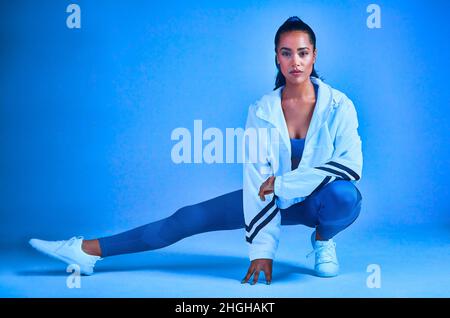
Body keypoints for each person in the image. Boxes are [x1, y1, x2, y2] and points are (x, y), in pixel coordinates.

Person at [29, 17, 363, 285]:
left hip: (317, 201)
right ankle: (87, 251)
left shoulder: (338, 105)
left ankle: (323, 241)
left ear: (314, 55)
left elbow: (349, 165)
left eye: (302, 52)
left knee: (346, 196)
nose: (295, 61)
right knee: (186, 217)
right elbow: (257, 178)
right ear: (276, 57)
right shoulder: (262, 109)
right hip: (270, 198)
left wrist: (284, 185)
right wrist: (262, 251)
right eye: (286, 52)